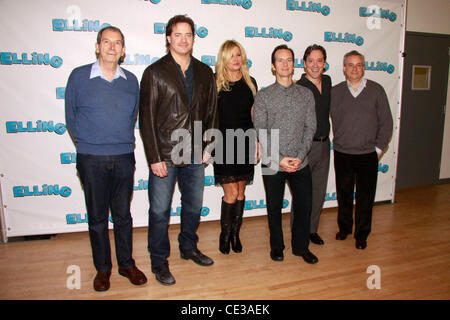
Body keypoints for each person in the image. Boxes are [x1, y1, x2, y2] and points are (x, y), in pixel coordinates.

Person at [65, 26, 147, 292]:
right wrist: (89, 144)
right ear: (97, 46)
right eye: (107, 42)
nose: (112, 47)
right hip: (92, 159)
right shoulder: (79, 77)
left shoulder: (131, 80)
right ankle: (103, 269)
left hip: (124, 157)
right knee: (98, 219)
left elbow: (133, 114)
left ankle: (126, 264)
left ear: (123, 50)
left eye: (118, 43)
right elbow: (71, 117)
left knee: (123, 216)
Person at [139, 15, 218, 286]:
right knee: (160, 210)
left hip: (196, 151)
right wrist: (154, 157)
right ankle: (159, 261)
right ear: (169, 38)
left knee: (193, 205)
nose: (184, 39)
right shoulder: (155, 72)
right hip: (166, 154)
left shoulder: (206, 72)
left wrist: (211, 146)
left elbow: (212, 112)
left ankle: (188, 247)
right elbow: (146, 119)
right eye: (178, 34)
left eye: (189, 34)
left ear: (194, 39)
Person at [253, 44, 318, 264]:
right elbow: (260, 130)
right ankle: (276, 247)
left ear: (294, 64)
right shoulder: (263, 96)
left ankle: (301, 248)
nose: (285, 64)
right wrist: (279, 158)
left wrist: (299, 156)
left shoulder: (306, 94)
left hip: (301, 161)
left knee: (303, 206)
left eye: (289, 60)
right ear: (273, 66)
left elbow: (311, 127)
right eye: (280, 60)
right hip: (273, 162)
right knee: (274, 207)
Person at [330, 50, 393, 250]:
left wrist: (378, 149)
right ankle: (345, 228)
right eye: (350, 64)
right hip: (342, 153)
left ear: (364, 68)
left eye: (358, 65)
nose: (354, 68)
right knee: (344, 194)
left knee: (366, 197)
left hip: (368, 155)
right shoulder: (335, 91)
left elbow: (387, 123)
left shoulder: (377, 90)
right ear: (344, 68)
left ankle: (362, 234)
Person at [213, 40, 258, 254]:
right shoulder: (216, 83)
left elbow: (254, 117)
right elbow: (208, 117)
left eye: (238, 55)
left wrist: (257, 142)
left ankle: (235, 234)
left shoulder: (251, 82)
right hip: (223, 145)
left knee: (240, 192)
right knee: (230, 192)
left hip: (246, 142)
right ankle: (224, 235)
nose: (236, 59)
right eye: (231, 55)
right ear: (224, 58)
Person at [295, 44, 331, 245]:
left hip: (325, 145)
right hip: (305, 147)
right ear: (304, 63)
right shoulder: (298, 87)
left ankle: (311, 230)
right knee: (302, 193)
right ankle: (298, 232)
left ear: (325, 64)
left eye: (319, 60)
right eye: (311, 61)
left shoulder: (327, 81)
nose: (315, 65)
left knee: (318, 192)